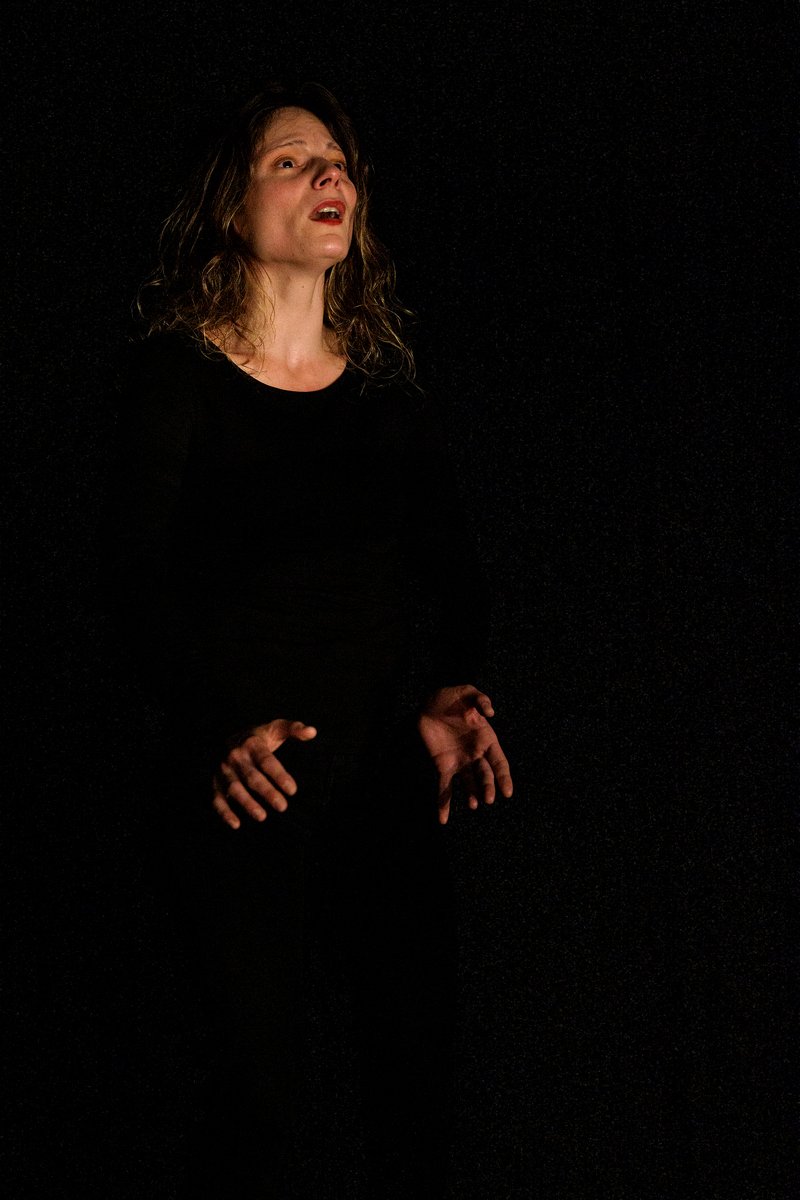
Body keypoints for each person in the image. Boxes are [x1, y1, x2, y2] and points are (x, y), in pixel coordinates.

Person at [107, 80, 512, 1199]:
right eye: (290, 160)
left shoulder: (386, 397)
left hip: (379, 789)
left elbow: (456, 579)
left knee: (413, 1104)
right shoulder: (174, 381)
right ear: (229, 207)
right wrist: (213, 730)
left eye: (338, 161)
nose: (330, 173)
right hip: (245, 793)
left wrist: (451, 692)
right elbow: (126, 590)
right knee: (254, 1117)